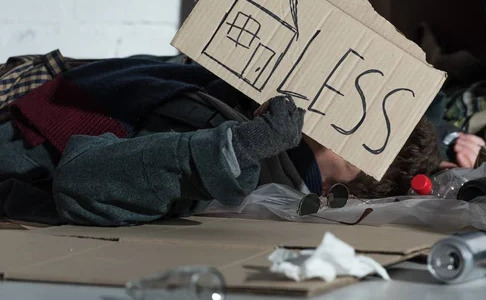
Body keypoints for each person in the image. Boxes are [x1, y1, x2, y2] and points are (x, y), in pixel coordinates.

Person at [0, 56, 444, 227]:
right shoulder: (266, 103)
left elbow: (81, 180)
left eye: (350, 145)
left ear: (331, 191)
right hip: (27, 98)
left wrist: (241, 148)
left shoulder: (248, 177)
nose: (335, 123)